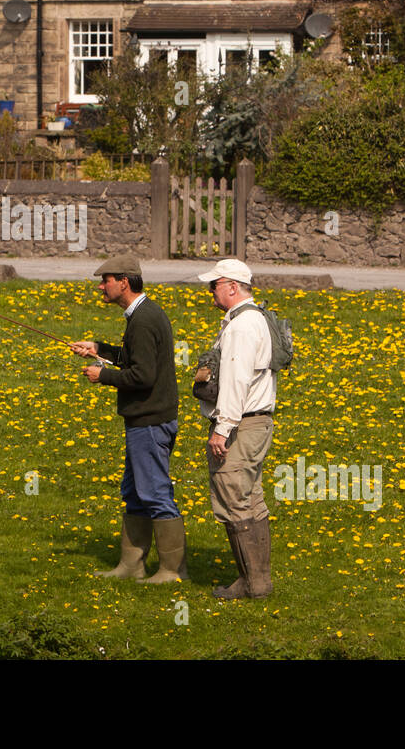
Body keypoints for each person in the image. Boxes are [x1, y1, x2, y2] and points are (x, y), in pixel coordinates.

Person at [70, 255, 186, 583]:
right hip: (142, 420)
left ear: (124, 281)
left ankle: (172, 571)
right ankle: (131, 565)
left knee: (155, 492)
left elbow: (143, 376)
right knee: (135, 492)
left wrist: (102, 375)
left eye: (105, 279)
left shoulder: (145, 319)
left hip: (150, 421)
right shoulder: (141, 315)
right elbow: (134, 358)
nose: (100, 286)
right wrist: (99, 348)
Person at [195, 258, 274, 599]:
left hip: (241, 424)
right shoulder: (256, 319)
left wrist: (221, 429)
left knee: (233, 501)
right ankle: (258, 581)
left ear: (232, 287)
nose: (210, 292)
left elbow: (235, 382)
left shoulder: (242, 326)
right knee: (251, 500)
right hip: (257, 422)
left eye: (214, 285)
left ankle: (252, 584)